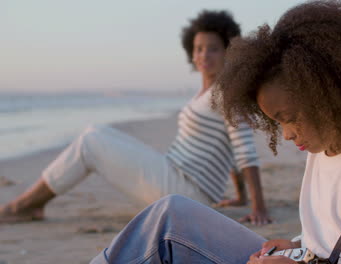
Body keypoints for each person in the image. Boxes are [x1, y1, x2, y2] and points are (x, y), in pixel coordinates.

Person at [89, 1, 341, 263]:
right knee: (172, 215)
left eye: (290, 117)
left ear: (330, 94)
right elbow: (338, 240)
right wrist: (298, 244)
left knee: (165, 231)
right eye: (276, 121)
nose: (286, 134)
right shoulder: (326, 146)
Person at [0, 10, 271, 225]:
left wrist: (258, 207)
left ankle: (25, 206)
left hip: (185, 191)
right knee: (96, 132)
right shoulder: (206, 93)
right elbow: (228, 148)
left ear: (228, 51)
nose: (203, 55)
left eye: (213, 48)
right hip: (178, 180)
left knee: (91, 142)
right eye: (198, 48)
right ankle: (29, 204)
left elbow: (244, 149)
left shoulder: (225, 94)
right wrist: (240, 197)